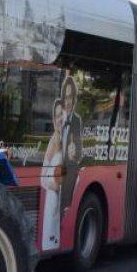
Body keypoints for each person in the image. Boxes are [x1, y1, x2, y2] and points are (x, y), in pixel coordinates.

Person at [40, 99, 66, 251]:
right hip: (52, 198)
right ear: (53, 119)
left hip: (61, 199)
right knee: (50, 239)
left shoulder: (67, 140)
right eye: (57, 116)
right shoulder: (52, 142)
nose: (59, 119)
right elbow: (42, 178)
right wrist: (54, 186)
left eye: (62, 115)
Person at [59, 74, 84, 211]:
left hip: (68, 176)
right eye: (65, 97)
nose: (67, 102)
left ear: (74, 99)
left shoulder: (77, 120)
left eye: (70, 98)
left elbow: (79, 153)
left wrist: (74, 153)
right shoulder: (57, 118)